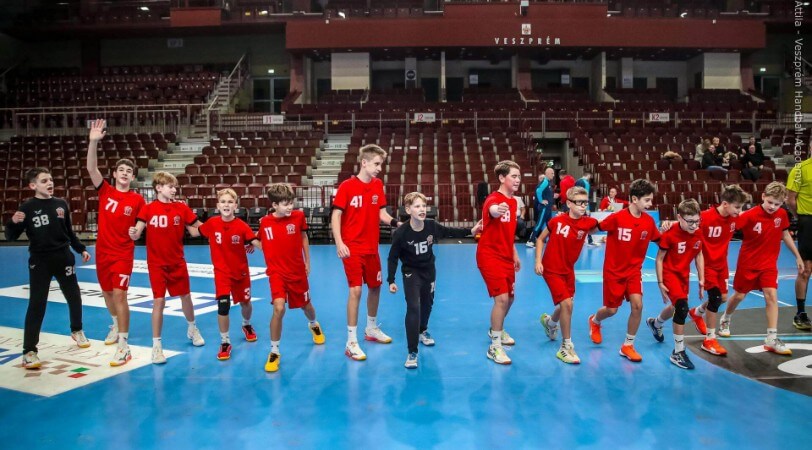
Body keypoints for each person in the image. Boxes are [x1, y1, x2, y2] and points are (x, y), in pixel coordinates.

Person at [5, 168, 92, 369]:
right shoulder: (27, 208)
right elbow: (10, 236)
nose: (50, 183)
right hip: (40, 260)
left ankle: (77, 330)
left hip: (64, 256)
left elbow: (69, 232)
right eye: (44, 181)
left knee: (74, 296)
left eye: (51, 179)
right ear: (33, 185)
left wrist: (80, 249)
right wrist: (13, 222)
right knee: (37, 303)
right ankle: (29, 351)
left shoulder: (61, 204)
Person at [388, 192, 480, 368]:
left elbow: (449, 231)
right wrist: (391, 280)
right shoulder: (401, 233)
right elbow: (393, 258)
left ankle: (423, 330)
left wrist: (470, 231)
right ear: (408, 209)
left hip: (429, 271)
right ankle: (412, 351)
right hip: (411, 272)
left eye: (424, 206)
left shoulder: (431, 226)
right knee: (413, 307)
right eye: (417, 206)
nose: (422, 209)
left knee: (427, 304)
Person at [718, 182, 804, 355]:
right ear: (763, 196)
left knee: (771, 296)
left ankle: (771, 338)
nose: (772, 207)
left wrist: (797, 256)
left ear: (783, 202)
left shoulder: (782, 214)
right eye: (770, 202)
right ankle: (725, 318)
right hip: (748, 263)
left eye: (777, 204)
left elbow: (785, 234)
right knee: (739, 295)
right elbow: (727, 225)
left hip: (769, 264)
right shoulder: (749, 215)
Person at [86, 118, 146, 367]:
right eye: (121, 170)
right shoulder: (106, 191)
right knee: (107, 292)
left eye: (128, 171)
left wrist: (137, 232)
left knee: (120, 295)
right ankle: (114, 324)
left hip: (123, 253)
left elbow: (140, 224)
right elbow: (91, 169)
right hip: (102, 251)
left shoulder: (137, 200)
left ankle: (124, 345)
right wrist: (93, 142)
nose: (124, 173)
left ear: (132, 177)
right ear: (114, 174)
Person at [331, 144, 399, 361]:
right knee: (356, 291)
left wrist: (397, 223)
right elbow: (336, 216)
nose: (380, 168)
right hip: (352, 247)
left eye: (381, 164)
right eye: (377, 164)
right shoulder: (347, 186)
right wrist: (339, 242)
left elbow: (382, 213)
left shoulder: (378, 185)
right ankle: (351, 341)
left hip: (371, 247)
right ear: (364, 163)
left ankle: (371, 328)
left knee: (375, 287)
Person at [129, 171, 205, 364]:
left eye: (175, 187)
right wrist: (133, 232)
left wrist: (217, 227)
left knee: (186, 296)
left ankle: (192, 327)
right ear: (158, 188)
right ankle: (156, 346)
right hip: (156, 264)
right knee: (159, 301)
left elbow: (196, 230)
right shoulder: (147, 209)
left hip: (177, 262)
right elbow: (137, 233)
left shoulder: (181, 207)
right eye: (170, 186)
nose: (174, 190)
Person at [587, 179, 660, 362]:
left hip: (634, 272)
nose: (650, 204)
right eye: (647, 200)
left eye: (651, 200)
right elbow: (595, 229)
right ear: (634, 199)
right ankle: (595, 320)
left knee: (638, 305)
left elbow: (661, 240)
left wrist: (673, 229)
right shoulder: (617, 218)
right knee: (612, 310)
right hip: (613, 272)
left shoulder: (649, 222)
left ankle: (628, 345)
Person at [258, 184, 325, 372]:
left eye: (291, 203)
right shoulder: (265, 222)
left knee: (307, 306)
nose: (290, 207)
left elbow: (303, 237)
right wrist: (249, 243)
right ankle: (274, 351)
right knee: (279, 308)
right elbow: (259, 239)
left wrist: (307, 261)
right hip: (276, 273)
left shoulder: (298, 217)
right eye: (285, 204)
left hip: (296, 272)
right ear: (274, 205)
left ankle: (314, 324)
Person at [681, 185, 748, 356]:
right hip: (707, 265)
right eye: (737, 207)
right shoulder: (705, 217)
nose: (739, 211)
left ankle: (696, 313)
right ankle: (710, 339)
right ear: (725, 204)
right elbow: (686, 224)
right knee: (715, 298)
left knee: (722, 298)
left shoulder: (735, 218)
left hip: (722, 265)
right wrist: (669, 224)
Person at [536, 186, 598, 364]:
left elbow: (603, 226)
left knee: (567, 304)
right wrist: (538, 261)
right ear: (569, 203)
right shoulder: (557, 221)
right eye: (579, 202)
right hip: (551, 269)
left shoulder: (588, 223)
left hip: (568, 270)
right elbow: (540, 239)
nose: (583, 206)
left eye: (586, 202)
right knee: (567, 304)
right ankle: (566, 347)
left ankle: (550, 323)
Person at [197, 188, 262, 361]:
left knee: (246, 303)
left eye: (230, 202)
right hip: (222, 273)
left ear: (236, 206)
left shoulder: (241, 226)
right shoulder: (212, 223)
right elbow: (196, 230)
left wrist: (265, 244)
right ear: (218, 205)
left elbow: (256, 242)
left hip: (240, 272)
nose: (226, 205)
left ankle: (246, 325)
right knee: (223, 306)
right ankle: (225, 341)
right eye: (223, 202)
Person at [647, 199, 704, 370]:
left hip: (683, 275)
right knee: (682, 307)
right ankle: (678, 351)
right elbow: (659, 259)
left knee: (675, 306)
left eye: (697, 221)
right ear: (679, 217)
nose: (694, 225)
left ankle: (656, 323)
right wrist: (660, 282)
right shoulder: (670, 233)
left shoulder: (698, 232)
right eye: (690, 221)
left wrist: (701, 278)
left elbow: (699, 254)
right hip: (669, 273)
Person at [478, 160, 522, 365]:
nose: (518, 180)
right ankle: (494, 347)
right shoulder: (493, 199)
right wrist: (498, 209)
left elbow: (508, 233)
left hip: (506, 256)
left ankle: (496, 328)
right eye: (513, 176)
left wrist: (514, 254)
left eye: (519, 176)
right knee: (502, 300)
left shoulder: (514, 202)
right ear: (502, 178)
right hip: (489, 255)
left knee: (510, 299)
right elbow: (493, 210)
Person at [787, 144, 812, 330]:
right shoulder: (799, 170)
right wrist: (801, 218)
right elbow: (791, 199)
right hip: (808, 222)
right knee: (805, 270)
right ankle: (801, 314)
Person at [526, 167, 555, 247]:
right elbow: (538, 191)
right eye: (552, 173)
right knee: (539, 224)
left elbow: (545, 193)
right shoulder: (545, 182)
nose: (553, 175)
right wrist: (541, 200)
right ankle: (531, 240)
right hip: (544, 208)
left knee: (550, 225)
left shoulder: (548, 182)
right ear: (547, 174)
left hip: (548, 208)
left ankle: (552, 240)